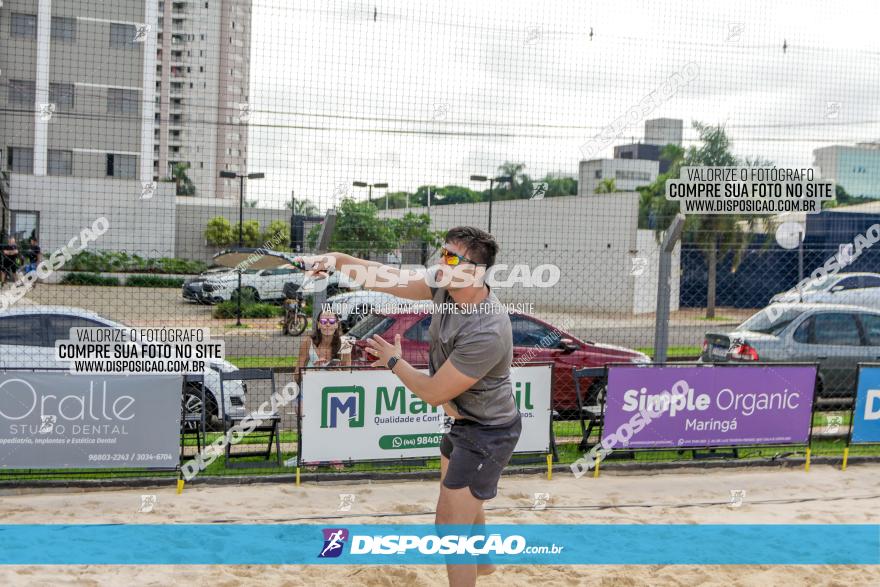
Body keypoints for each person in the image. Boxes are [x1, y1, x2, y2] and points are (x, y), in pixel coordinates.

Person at [295, 226, 520, 587]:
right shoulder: (446, 286)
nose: (439, 262)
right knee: (460, 509)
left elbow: (432, 393)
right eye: (441, 252)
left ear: (475, 271)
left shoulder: (486, 330)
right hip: (464, 422)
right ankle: (486, 565)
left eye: (450, 256)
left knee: (449, 529)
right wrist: (334, 260)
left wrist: (394, 362)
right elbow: (388, 278)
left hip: (487, 434)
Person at [295, 309, 351, 472]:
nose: (328, 325)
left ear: (337, 325)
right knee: (306, 413)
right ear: (318, 324)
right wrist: (312, 372)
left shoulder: (345, 344)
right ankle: (314, 454)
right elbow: (296, 375)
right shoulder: (308, 342)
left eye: (331, 322)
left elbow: (349, 374)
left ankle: (333, 453)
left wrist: (337, 372)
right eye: (324, 321)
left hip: (334, 392)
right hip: (310, 391)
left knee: (336, 414)